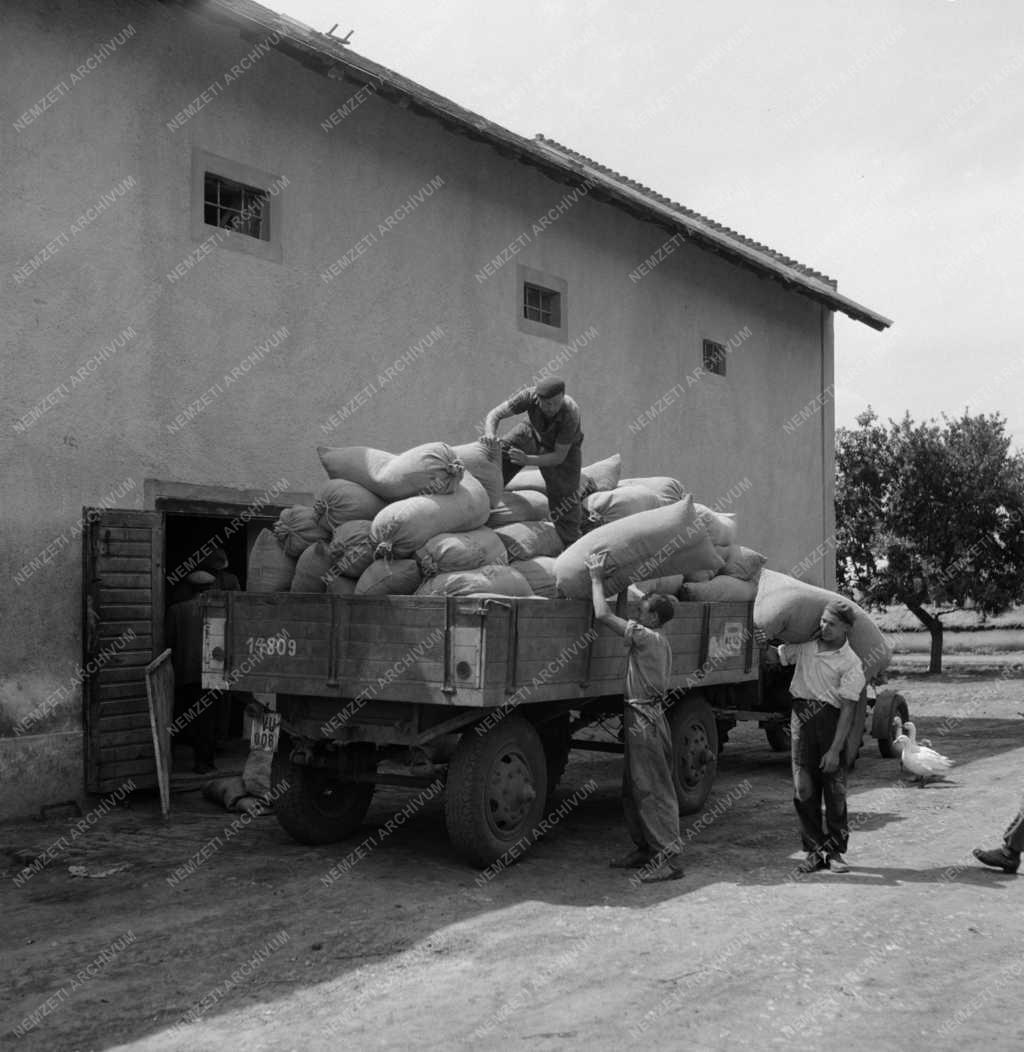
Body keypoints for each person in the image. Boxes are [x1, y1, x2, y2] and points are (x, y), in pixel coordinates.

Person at [586, 551, 685, 882]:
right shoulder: (659, 639)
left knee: (653, 787)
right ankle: (645, 848)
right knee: (634, 787)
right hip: (644, 715)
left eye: (642, 612)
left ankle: (668, 858)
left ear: (655, 618)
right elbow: (618, 612)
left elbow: (602, 614)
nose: (637, 615)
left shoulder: (645, 637)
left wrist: (597, 577)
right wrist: (624, 582)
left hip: (645, 720)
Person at [764, 598, 866, 874]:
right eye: (822, 621)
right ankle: (813, 851)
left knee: (834, 791)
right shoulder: (806, 649)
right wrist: (757, 638)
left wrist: (835, 749)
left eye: (831, 623)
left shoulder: (851, 663)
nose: (825, 627)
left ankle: (835, 853)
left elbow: (847, 711)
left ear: (846, 628)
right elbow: (776, 656)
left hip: (831, 724)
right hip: (801, 721)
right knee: (803, 788)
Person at [483, 376, 583, 548]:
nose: (550, 408)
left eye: (554, 403)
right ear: (538, 398)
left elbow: (558, 456)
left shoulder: (570, 414)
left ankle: (572, 544)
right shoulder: (528, 397)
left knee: (565, 496)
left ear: (563, 397)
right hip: (532, 431)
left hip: (562, 450)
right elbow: (495, 414)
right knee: (499, 454)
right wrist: (490, 433)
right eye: (546, 403)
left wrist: (526, 459)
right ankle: (484, 500)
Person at [165, 570, 218, 774]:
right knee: (207, 720)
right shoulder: (218, 610)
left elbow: (168, 643)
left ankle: (171, 764)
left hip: (183, 674)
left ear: (189, 588)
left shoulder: (176, 611)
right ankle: (204, 763)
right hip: (211, 673)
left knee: (181, 716)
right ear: (210, 588)